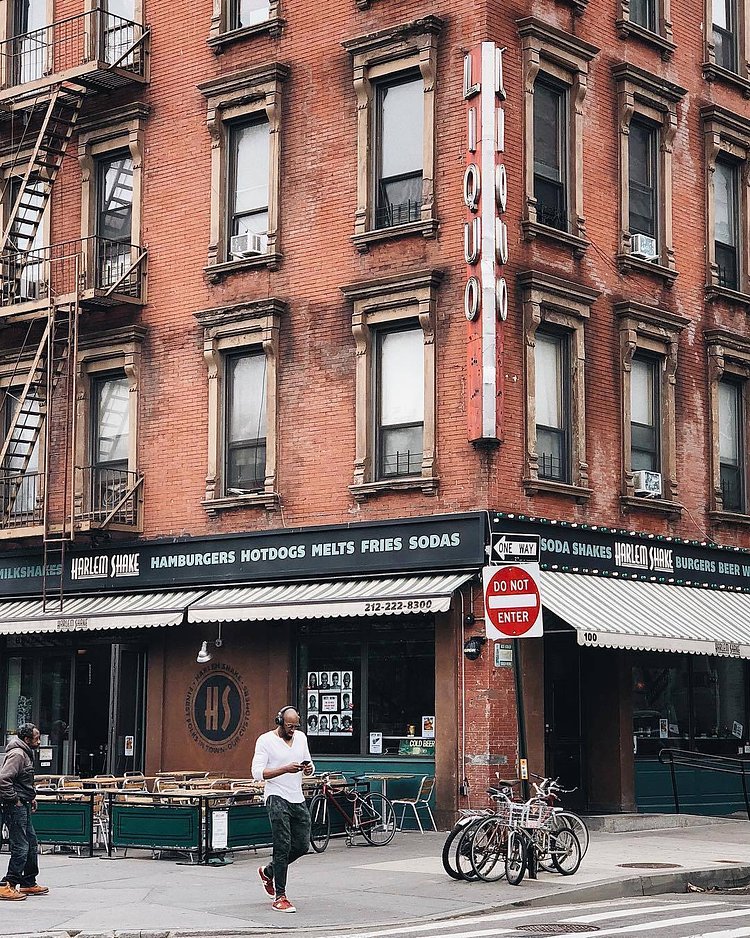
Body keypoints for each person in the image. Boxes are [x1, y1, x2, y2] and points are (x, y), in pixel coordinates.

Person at [252, 706, 314, 914]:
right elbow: (258, 773)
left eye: (296, 726)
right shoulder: (265, 741)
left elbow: (310, 763)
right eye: (289, 726)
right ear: (279, 721)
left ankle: (268, 871)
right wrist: (284, 769)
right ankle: (281, 896)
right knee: (282, 844)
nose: (292, 730)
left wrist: (308, 768)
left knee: (302, 845)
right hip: (276, 795)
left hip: (296, 796)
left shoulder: (301, 738)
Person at [0, 724, 48, 901]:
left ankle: (28, 882)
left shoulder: (25, 752)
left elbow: (22, 780)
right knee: (21, 845)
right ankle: (7, 884)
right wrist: (15, 800)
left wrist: (30, 796)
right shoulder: (18, 754)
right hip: (15, 806)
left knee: (31, 842)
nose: (39, 741)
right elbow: (4, 780)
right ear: (27, 739)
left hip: (23, 803)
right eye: (36, 738)